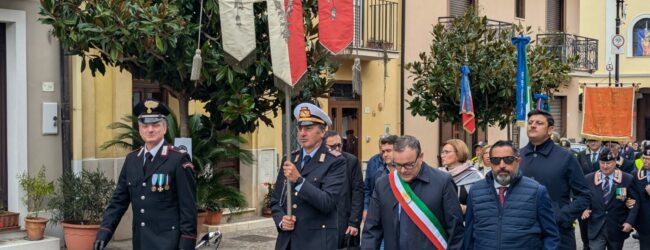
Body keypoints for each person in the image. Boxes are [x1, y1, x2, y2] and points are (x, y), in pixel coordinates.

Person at [94, 99, 197, 250]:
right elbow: (118, 201)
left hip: (168, 243)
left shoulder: (178, 159)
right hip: (141, 242)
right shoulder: (132, 160)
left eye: (155, 125)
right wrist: (104, 232)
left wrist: (186, 244)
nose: (150, 130)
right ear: (139, 129)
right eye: (145, 125)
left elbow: (188, 208)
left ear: (165, 128)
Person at [362, 135, 464, 250]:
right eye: (398, 165)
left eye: (409, 164)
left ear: (421, 157)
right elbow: (371, 231)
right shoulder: (383, 185)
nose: (403, 170)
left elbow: (456, 231)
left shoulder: (442, 182)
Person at [270, 102, 346, 250]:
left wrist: (299, 181)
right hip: (288, 242)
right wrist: (281, 220)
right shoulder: (290, 159)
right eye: (300, 128)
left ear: (322, 132)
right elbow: (276, 201)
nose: (302, 133)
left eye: (309, 128)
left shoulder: (335, 162)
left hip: (316, 242)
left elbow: (327, 202)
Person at [464, 140, 559, 249]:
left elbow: (551, 236)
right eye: (496, 160)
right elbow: (469, 235)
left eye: (508, 160)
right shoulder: (475, 191)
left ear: (518, 161)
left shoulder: (537, 191)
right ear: (490, 162)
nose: (502, 165)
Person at [519, 110, 591, 250]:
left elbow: (584, 195)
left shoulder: (566, 157)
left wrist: (561, 217)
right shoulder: (517, 156)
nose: (533, 126)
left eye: (539, 123)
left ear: (550, 129)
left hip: (557, 234)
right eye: (530, 123)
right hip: (523, 234)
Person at [581, 148, 638, 250]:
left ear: (615, 162)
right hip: (596, 227)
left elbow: (634, 203)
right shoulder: (589, 179)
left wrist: (629, 222)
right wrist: (585, 208)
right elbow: (584, 198)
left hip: (616, 228)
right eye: (602, 163)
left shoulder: (627, 179)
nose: (605, 166)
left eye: (608, 163)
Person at [323, 131, 364, 249]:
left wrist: (354, 222)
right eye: (333, 146)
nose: (337, 149)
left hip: (346, 219)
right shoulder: (320, 162)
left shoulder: (351, 161)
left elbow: (358, 192)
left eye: (339, 145)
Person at [440, 139, 483, 214]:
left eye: (446, 152)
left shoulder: (475, 176)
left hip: (466, 223)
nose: (442, 155)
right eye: (442, 152)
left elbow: (485, 204)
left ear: (459, 153)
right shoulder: (439, 174)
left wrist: (466, 209)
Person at [576, 138, 603, 250]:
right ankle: (586, 246)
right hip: (584, 195)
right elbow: (576, 175)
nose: (593, 143)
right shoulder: (581, 155)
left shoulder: (606, 154)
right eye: (590, 141)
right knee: (584, 225)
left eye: (595, 140)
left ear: (601, 141)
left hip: (601, 196)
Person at [363, 135, 398, 219]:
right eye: (383, 151)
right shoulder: (379, 173)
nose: (385, 154)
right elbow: (369, 190)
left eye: (388, 151)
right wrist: (367, 209)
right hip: (382, 215)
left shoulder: (405, 172)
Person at [631, 146, 650, 249]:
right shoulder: (635, 175)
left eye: (648, 159)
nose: (645, 161)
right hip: (644, 223)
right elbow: (632, 198)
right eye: (644, 158)